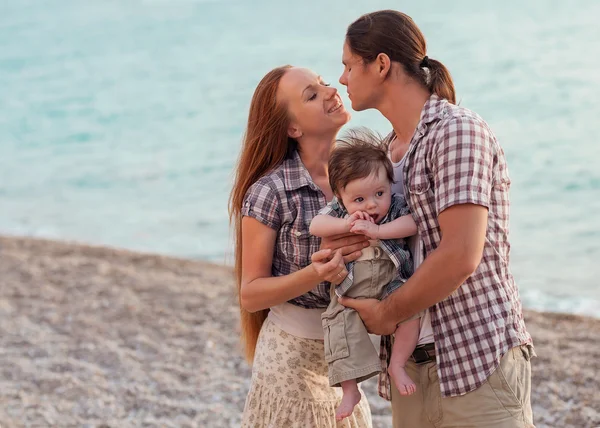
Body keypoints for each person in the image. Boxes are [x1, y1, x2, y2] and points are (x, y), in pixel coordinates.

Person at [334, 10, 536, 428]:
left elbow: (461, 255)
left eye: (349, 65)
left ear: (382, 64)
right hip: (412, 367)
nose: (342, 79)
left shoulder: (456, 131)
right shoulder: (387, 155)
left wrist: (387, 312)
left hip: (477, 358)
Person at [229, 65, 373, 427]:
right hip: (290, 363)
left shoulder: (360, 177)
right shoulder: (271, 191)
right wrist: (314, 273)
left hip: (346, 360)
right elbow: (250, 294)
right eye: (312, 94)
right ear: (293, 129)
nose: (329, 91)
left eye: (324, 83)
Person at [309, 130, 423, 421]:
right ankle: (350, 388)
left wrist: (379, 231)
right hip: (352, 287)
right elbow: (316, 226)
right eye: (359, 198)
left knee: (412, 314)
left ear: (389, 186)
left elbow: (414, 223)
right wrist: (346, 224)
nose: (371, 205)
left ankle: (396, 364)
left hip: (391, 282)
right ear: (341, 197)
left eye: (379, 194)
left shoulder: (394, 208)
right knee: (337, 322)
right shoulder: (341, 213)